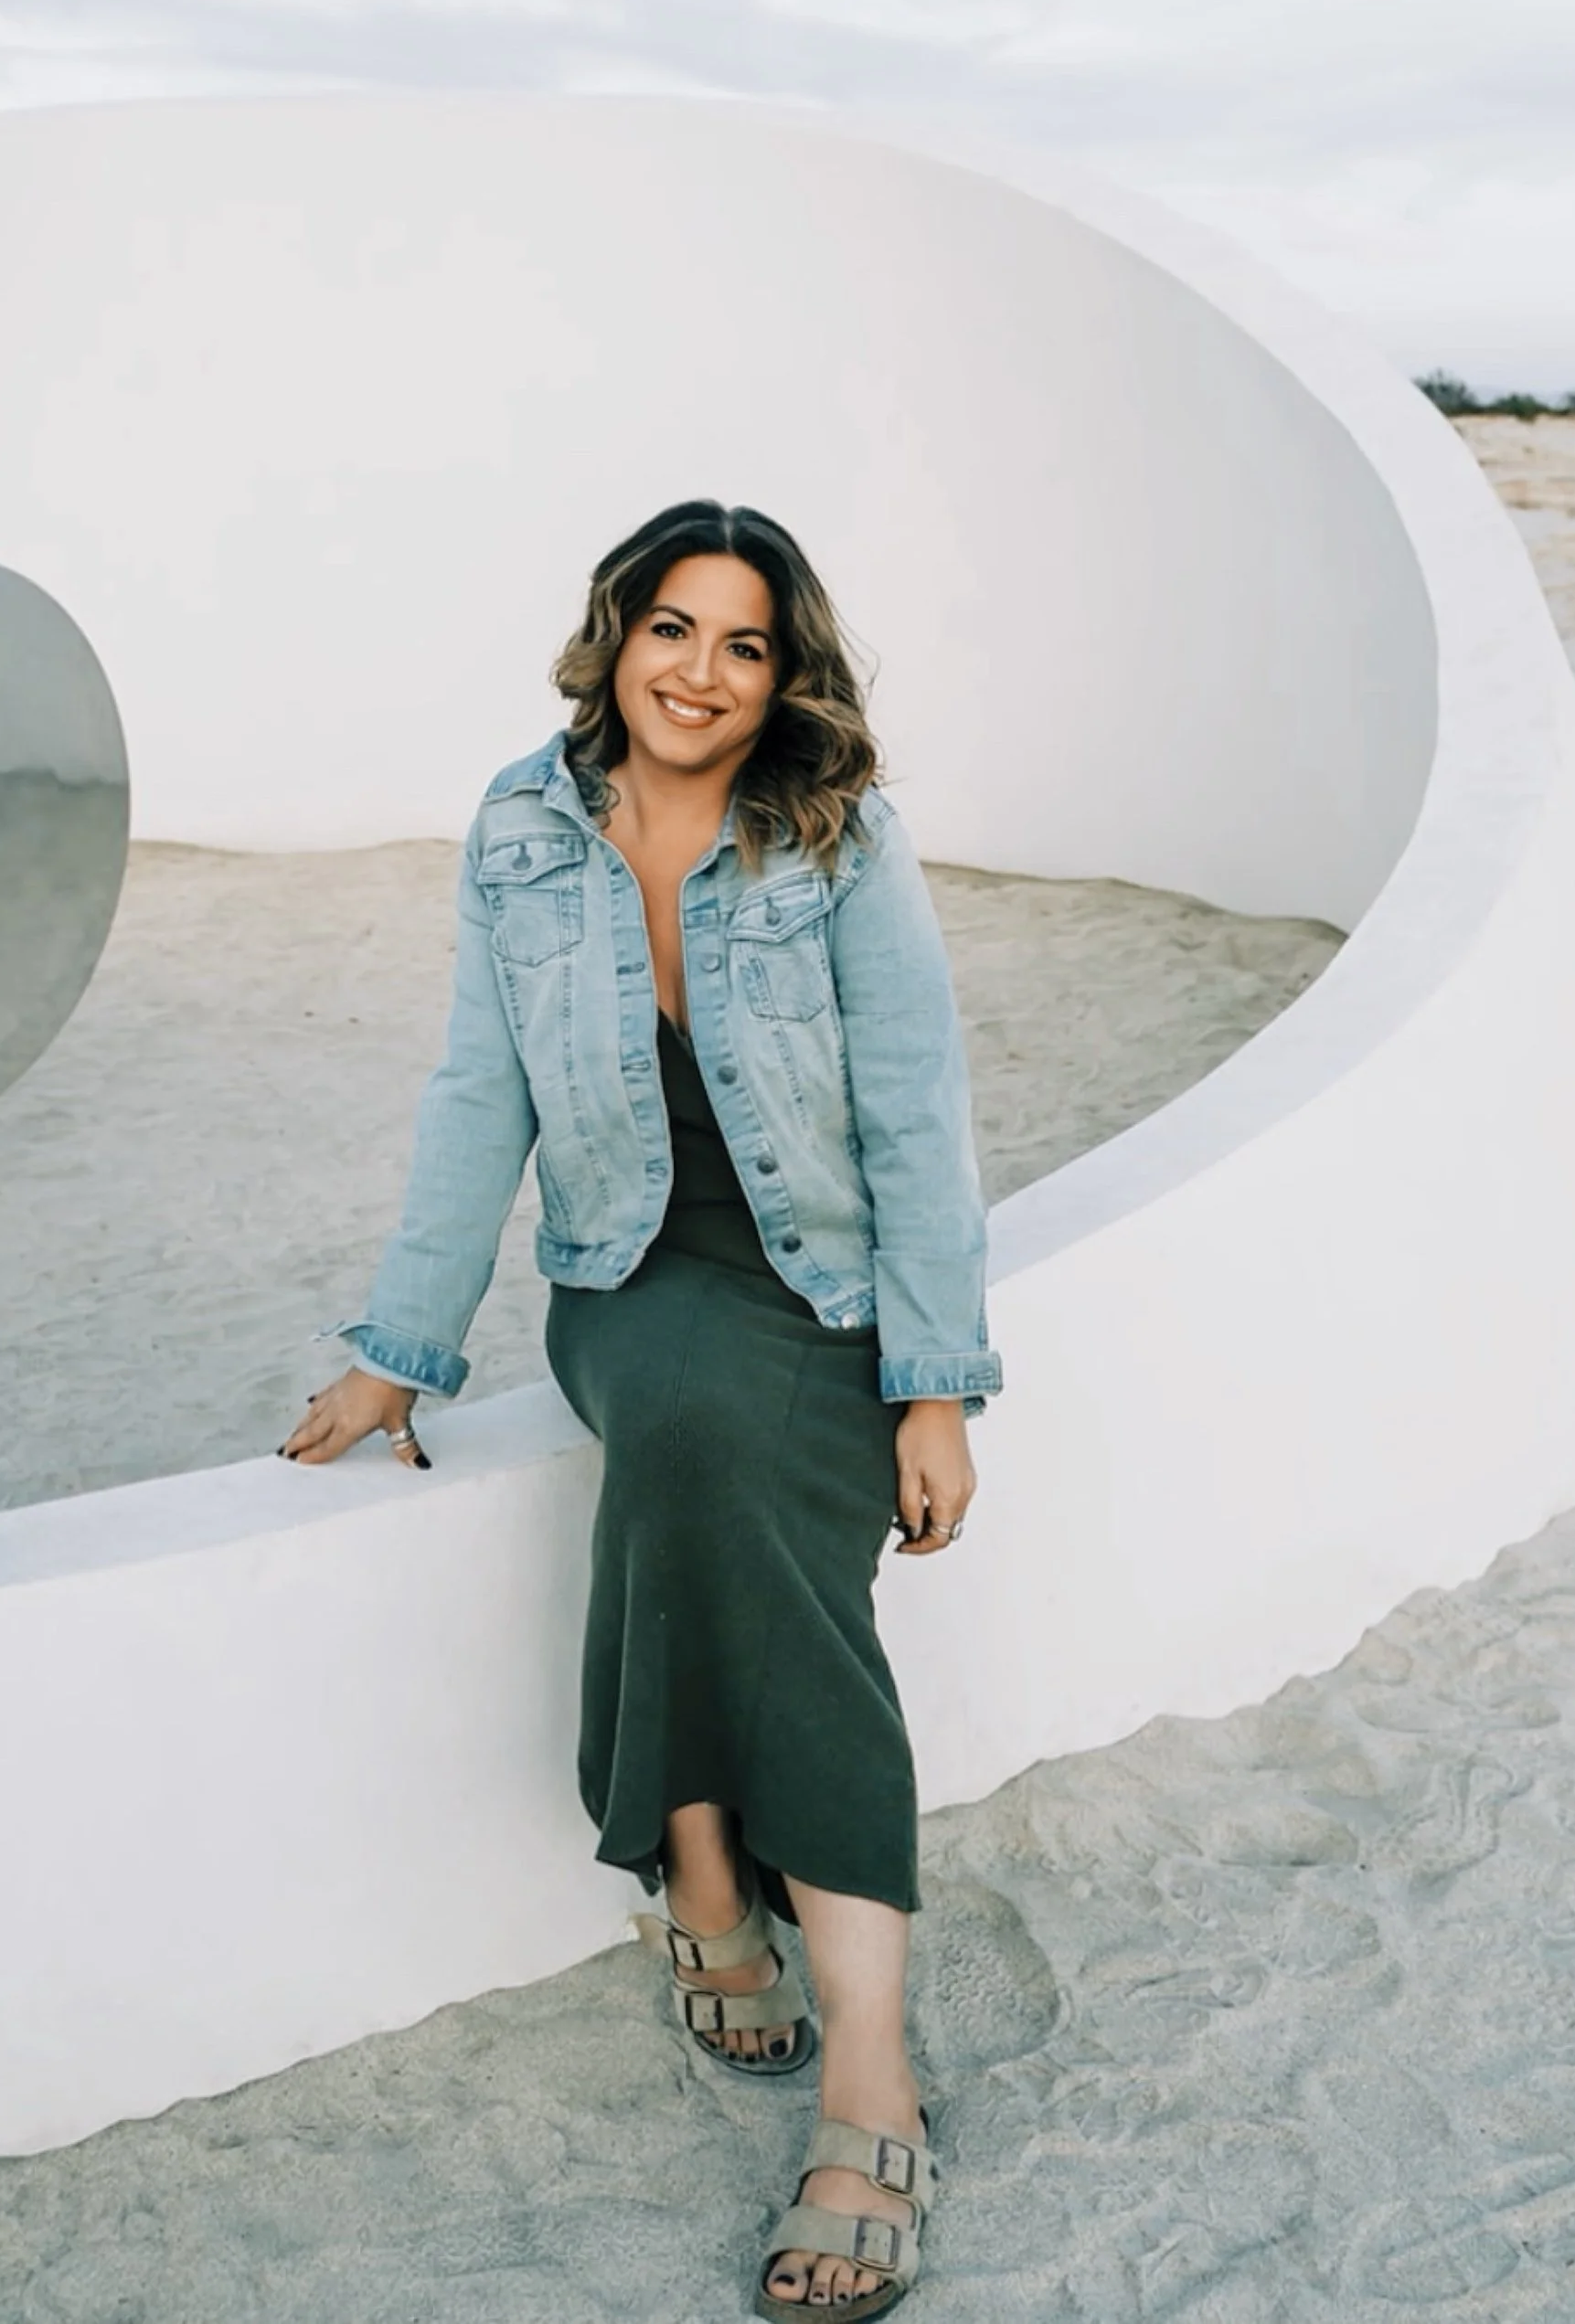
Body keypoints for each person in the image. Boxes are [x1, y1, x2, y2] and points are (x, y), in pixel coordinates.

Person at [282, 499, 1001, 2317]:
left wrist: (932, 1387)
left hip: (824, 1284)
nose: (701, 672)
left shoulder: (841, 838)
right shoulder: (523, 830)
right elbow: (475, 1095)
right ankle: (798, 1975)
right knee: (679, 1425)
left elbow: (918, 1116)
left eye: (744, 644)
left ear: (787, 673)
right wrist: (402, 1346)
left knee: (753, 1533)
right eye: (671, 628)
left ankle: (753, 1932)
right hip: (627, 1268)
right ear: (612, 635)